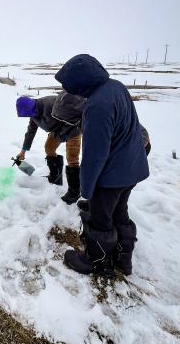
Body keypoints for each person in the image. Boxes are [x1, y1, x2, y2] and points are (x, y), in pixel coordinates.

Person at [54, 54, 150, 277]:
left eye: (70, 85)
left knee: (100, 219)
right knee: (119, 213)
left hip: (112, 175)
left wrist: (86, 191)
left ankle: (96, 262)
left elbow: (94, 156)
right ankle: (123, 259)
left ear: (80, 81)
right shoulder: (116, 87)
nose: (70, 90)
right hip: (132, 167)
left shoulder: (97, 105)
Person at [14, 92, 85, 204]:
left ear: (32, 106)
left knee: (72, 158)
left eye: (30, 113)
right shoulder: (33, 114)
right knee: (49, 148)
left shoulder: (50, 104)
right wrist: (23, 151)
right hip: (57, 132)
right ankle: (55, 176)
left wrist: (61, 134)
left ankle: (74, 191)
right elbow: (30, 132)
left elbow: (72, 118)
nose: (31, 116)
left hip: (73, 130)